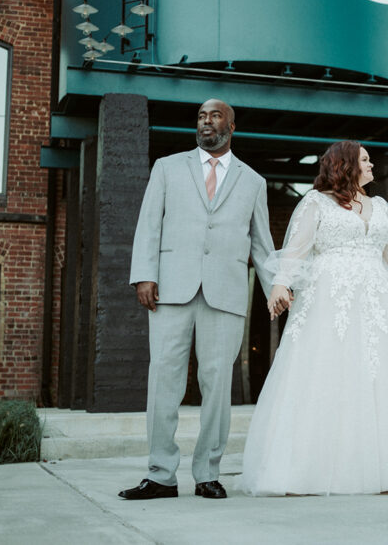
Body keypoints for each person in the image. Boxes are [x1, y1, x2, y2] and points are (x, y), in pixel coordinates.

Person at [241, 141, 388, 495]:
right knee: (329, 371)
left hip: (378, 301)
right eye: (365, 161)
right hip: (329, 299)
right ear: (346, 165)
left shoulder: (380, 206)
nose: (371, 166)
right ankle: (316, 467)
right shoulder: (315, 203)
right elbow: (296, 249)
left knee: (384, 376)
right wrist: (280, 284)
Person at [121, 99, 288, 501]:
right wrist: (144, 274)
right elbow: (149, 224)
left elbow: (263, 246)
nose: (206, 122)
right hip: (170, 290)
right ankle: (160, 474)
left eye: (215, 116)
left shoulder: (253, 182)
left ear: (231, 126)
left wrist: (276, 290)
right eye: (201, 116)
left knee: (217, 386)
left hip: (226, 294)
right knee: (163, 381)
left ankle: (208, 473)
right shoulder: (167, 167)